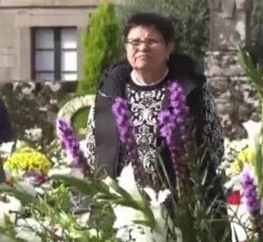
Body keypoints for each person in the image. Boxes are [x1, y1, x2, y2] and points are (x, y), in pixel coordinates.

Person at [85, 12, 224, 202]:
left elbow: (214, 144)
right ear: (126, 48)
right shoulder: (109, 92)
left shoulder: (191, 91)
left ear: (169, 48)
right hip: (123, 203)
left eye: (152, 42)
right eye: (134, 42)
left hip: (181, 202)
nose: (142, 47)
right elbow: (94, 146)